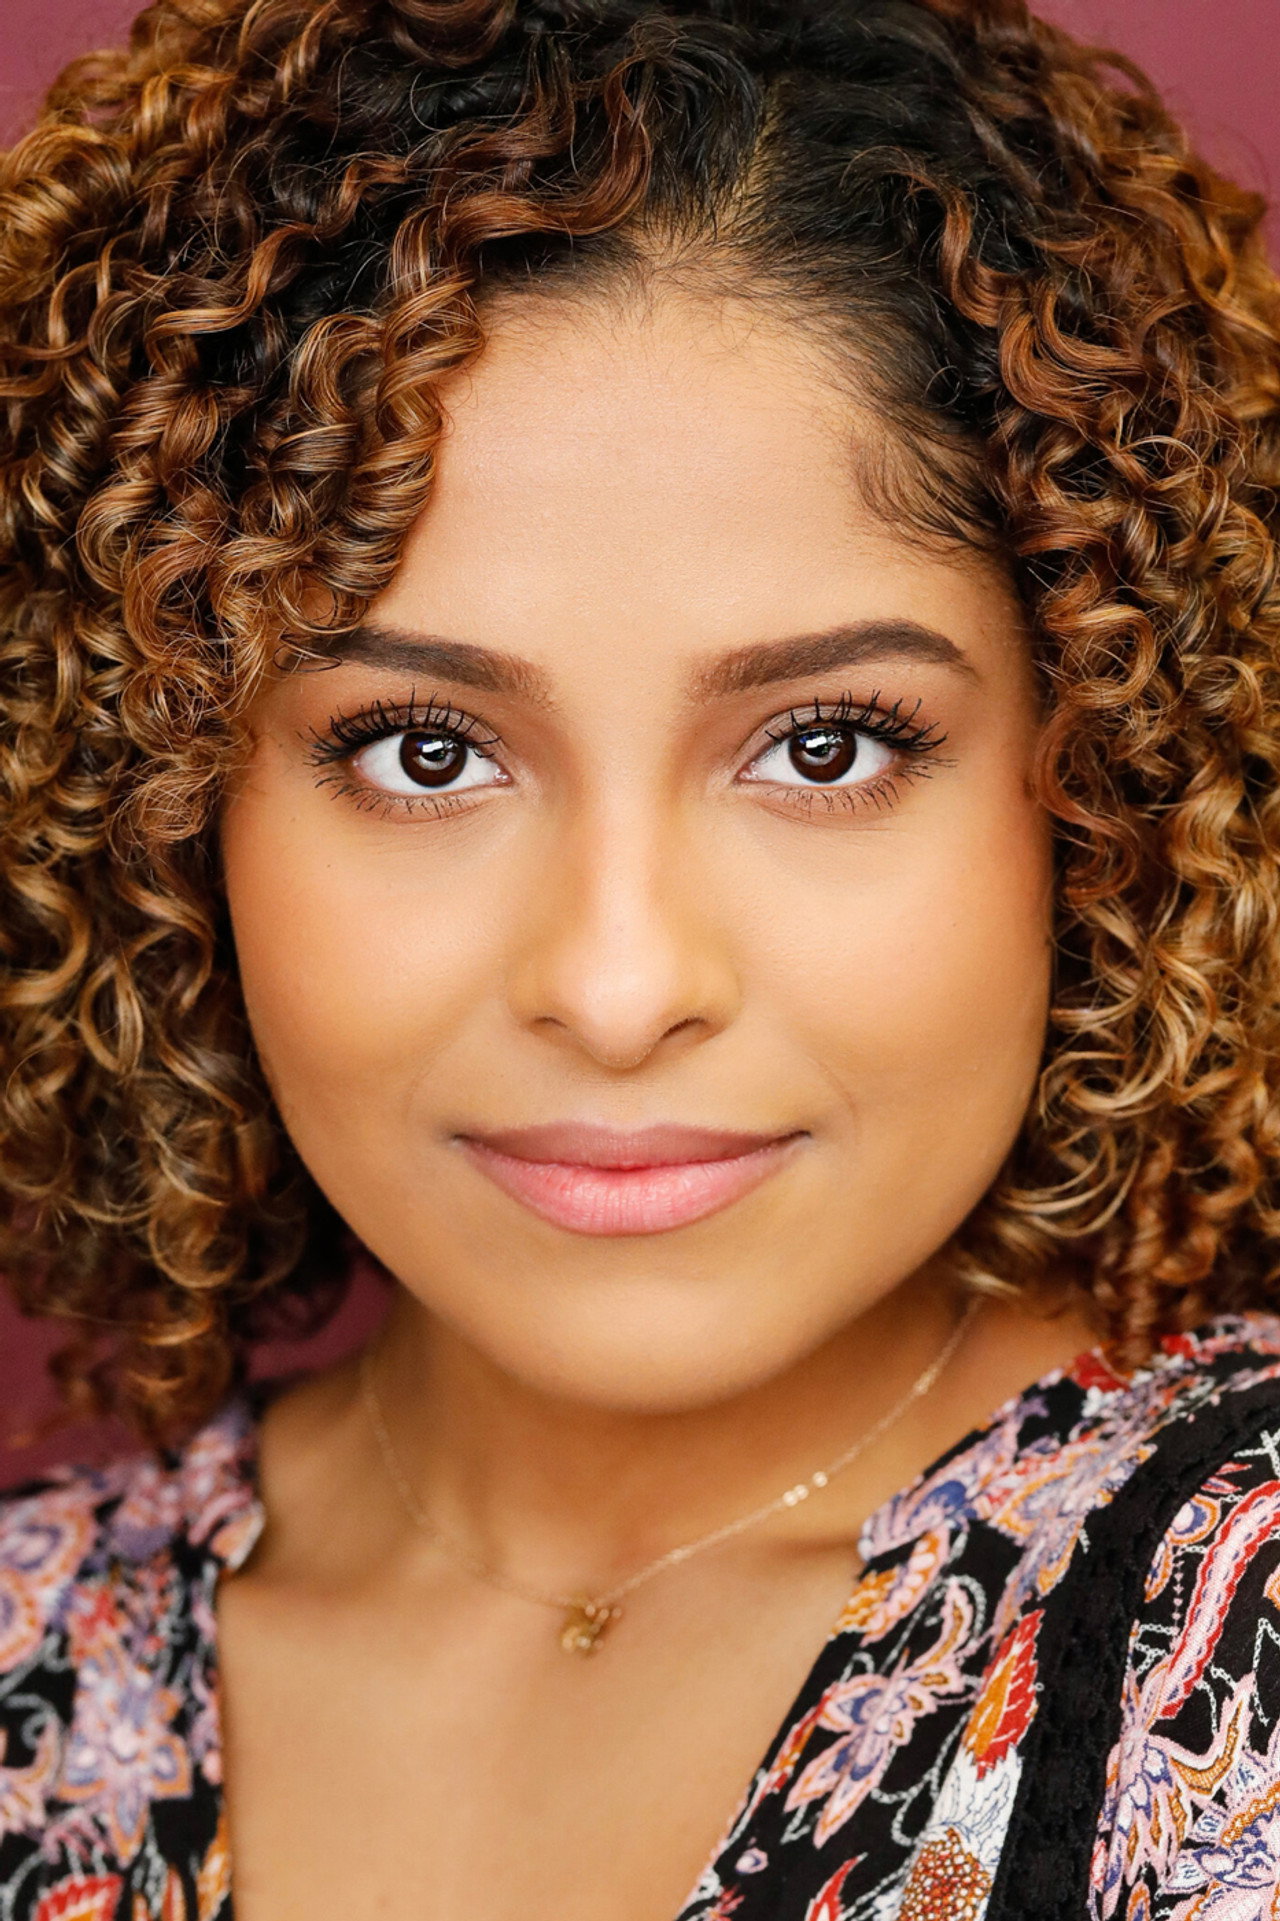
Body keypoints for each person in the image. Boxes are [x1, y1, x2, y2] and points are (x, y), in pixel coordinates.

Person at [2, 0, 1280, 1914]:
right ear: (162, 804)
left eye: (824, 747)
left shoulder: (1237, 1625)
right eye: (424, 753)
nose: (615, 988)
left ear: (1115, 778)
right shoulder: (34, 1653)